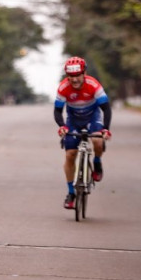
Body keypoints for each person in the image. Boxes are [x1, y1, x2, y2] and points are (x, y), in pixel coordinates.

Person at [54, 56, 112, 210]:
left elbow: (106, 108)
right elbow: (58, 111)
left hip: (93, 117)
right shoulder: (63, 88)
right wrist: (62, 126)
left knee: (98, 141)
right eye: (70, 76)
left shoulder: (94, 85)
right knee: (70, 154)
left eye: (77, 75)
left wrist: (106, 128)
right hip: (73, 120)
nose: (74, 80)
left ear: (84, 73)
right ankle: (71, 193)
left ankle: (97, 163)